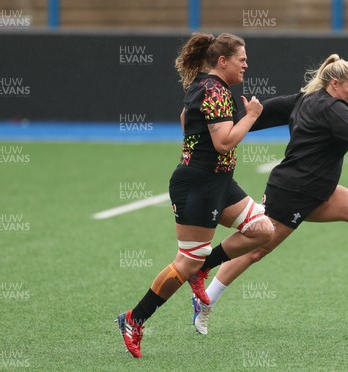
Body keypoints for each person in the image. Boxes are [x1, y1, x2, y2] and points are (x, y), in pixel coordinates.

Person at [189, 54, 348, 335]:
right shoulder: (332, 108)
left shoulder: (304, 99)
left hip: (318, 190)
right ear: (335, 84)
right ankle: (205, 301)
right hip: (293, 192)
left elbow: (263, 113)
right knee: (255, 250)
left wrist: (235, 123)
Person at [115, 32, 276, 358]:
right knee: (186, 261)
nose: (246, 65)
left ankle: (205, 267)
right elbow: (224, 142)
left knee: (262, 230)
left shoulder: (204, 86)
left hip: (218, 182)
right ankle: (134, 318)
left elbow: (186, 120)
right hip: (199, 186)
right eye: (241, 60)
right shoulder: (214, 91)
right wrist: (252, 116)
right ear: (222, 61)